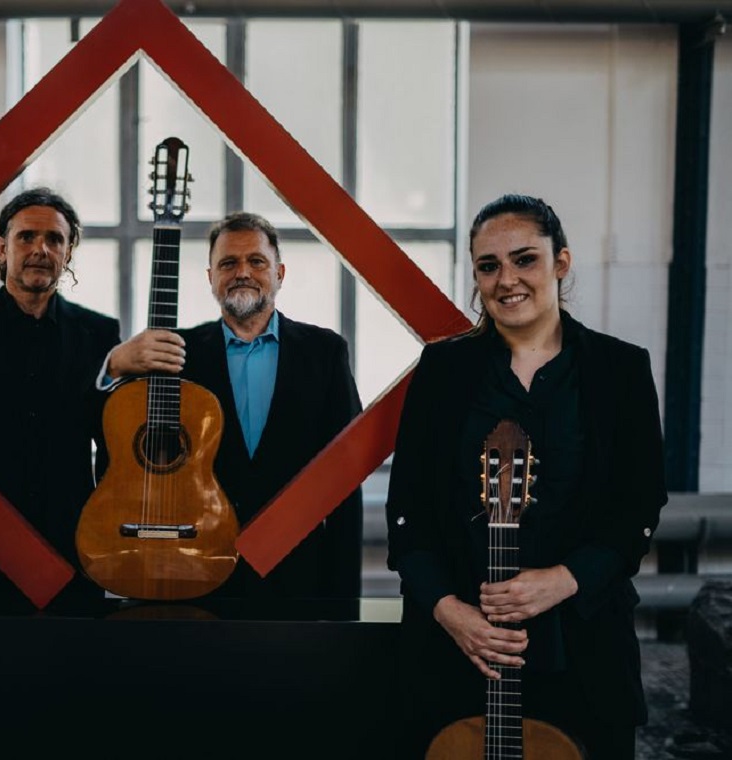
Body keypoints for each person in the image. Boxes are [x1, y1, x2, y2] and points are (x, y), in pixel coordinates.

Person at [384, 193, 667, 758]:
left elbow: (639, 504)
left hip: (584, 646)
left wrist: (566, 578)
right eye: (488, 266)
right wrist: (449, 611)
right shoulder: (442, 371)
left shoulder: (619, 370)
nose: (506, 279)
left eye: (524, 259)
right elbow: (407, 512)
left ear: (561, 262)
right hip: (460, 651)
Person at [104, 210, 364, 605]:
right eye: (228, 263)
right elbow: (114, 431)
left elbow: (346, 478)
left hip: (296, 578)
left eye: (256, 261)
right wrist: (114, 365)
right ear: (210, 277)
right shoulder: (174, 355)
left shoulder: (325, 352)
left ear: (279, 273)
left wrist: (344, 602)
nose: (242, 272)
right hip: (194, 572)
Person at [0, 187, 121, 610]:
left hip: (72, 548)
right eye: (27, 237)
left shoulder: (99, 334)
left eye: (54, 239)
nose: (41, 249)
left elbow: (112, 448)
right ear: (2, 248)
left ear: (68, 252)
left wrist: (110, 539)